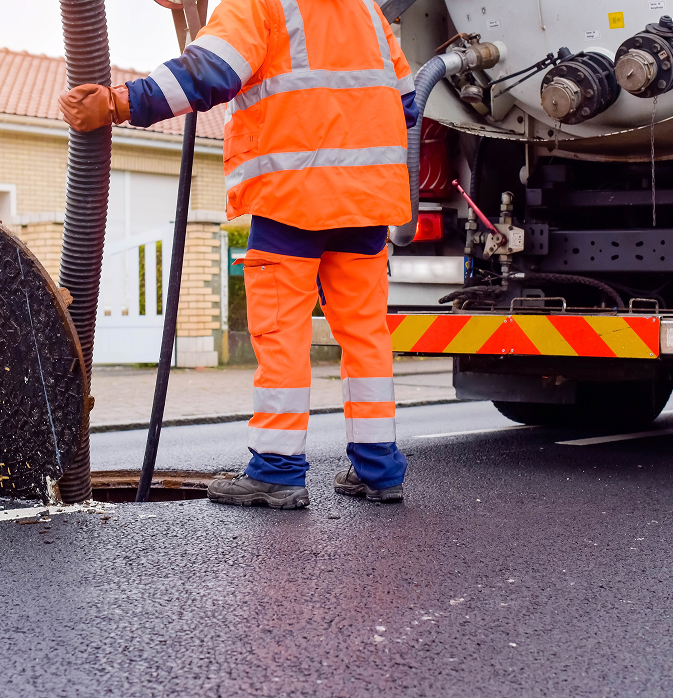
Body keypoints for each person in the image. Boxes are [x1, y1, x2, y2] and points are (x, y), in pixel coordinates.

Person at [59, 0, 418, 510]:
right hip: (368, 203)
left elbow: (211, 71)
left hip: (292, 199)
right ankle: (379, 470)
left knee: (282, 335)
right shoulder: (366, 11)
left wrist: (118, 103)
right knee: (366, 335)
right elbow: (405, 103)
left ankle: (277, 470)